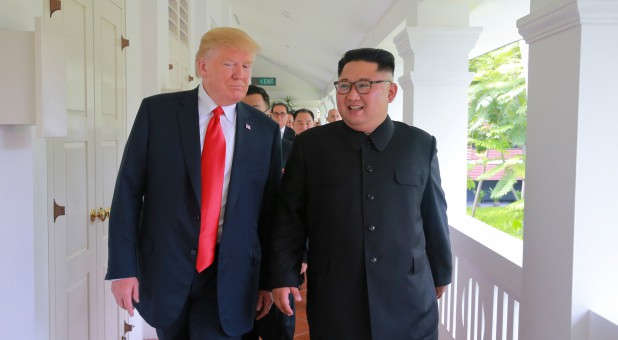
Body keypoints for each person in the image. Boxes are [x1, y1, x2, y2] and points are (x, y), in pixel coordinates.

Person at [106, 27, 282, 339]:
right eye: (230, 64)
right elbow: (128, 192)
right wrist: (122, 269)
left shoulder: (265, 132)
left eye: (247, 66)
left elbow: (269, 212)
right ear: (203, 66)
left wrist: (269, 279)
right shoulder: (157, 112)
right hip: (165, 267)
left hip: (229, 275)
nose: (240, 75)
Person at [269, 48, 452, 340]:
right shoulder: (311, 146)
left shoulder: (419, 144)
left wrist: (442, 272)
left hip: (408, 293)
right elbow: (290, 216)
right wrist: (282, 274)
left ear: (390, 92)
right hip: (336, 294)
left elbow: (433, 214)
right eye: (344, 86)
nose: (352, 95)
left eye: (364, 85)